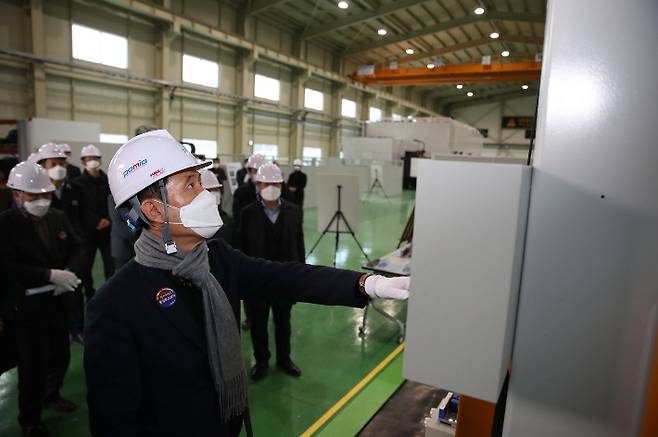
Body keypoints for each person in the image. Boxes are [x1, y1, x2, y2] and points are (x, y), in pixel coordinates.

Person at [83, 130, 410, 437]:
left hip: (229, 422)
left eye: (201, 182)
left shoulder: (217, 257)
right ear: (154, 209)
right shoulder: (115, 305)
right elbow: (114, 421)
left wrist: (367, 284)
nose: (207, 195)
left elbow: (286, 276)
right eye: (191, 185)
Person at [0, 162, 84, 437]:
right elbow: (7, 266)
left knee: (60, 354)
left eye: (45, 195)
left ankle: (52, 394)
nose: (41, 201)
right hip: (26, 308)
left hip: (57, 303)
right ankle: (30, 419)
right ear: (16, 194)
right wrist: (48, 275)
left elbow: (76, 246)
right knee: (32, 366)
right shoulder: (6, 224)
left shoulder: (57, 217)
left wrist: (67, 273)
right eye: (33, 196)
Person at [239, 164, 305, 381]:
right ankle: (261, 361)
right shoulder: (248, 214)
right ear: (257, 186)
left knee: (283, 323)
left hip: (285, 280)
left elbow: (299, 245)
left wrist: (300, 278)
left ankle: (284, 359)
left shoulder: (293, 211)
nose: (271, 187)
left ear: (281, 184)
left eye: (275, 183)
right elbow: (241, 249)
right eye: (266, 183)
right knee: (258, 324)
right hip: (258, 281)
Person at [36, 143, 86, 342]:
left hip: (72, 253)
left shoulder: (74, 189)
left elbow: (81, 219)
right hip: (46, 258)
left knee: (74, 292)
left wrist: (75, 260)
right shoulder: (36, 196)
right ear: (43, 166)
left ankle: (77, 330)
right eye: (54, 163)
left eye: (62, 163)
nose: (59, 167)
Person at [72, 145, 114, 300]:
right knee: (85, 268)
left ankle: (110, 294)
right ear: (83, 161)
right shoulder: (77, 183)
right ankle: (90, 294)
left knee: (111, 265)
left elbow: (113, 202)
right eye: (89, 159)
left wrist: (108, 219)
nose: (93, 161)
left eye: (95, 158)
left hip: (107, 231)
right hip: (87, 233)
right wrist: (95, 221)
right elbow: (79, 208)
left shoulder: (108, 180)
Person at [200, 169, 234, 247]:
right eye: (209, 190)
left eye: (216, 190)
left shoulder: (227, 220)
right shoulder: (192, 222)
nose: (215, 194)